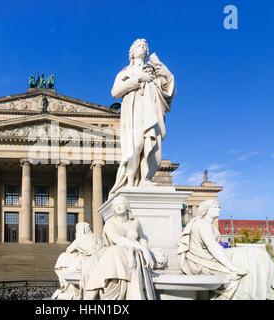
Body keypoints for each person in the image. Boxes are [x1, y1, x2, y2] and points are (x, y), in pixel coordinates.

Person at [177, 199, 274, 300]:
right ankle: (273, 291)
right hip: (206, 259)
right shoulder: (202, 224)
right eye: (215, 207)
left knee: (260, 254)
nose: (219, 210)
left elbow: (218, 247)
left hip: (217, 254)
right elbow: (212, 247)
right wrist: (231, 267)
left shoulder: (211, 226)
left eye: (219, 207)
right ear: (206, 209)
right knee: (256, 254)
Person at [109, 39, 176, 196]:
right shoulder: (124, 73)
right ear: (131, 52)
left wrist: (157, 66)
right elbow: (115, 92)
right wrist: (137, 79)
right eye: (138, 46)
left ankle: (145, 178)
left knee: (150, 143)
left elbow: (167, 87)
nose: (142, 48)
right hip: (132, 111)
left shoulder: (152, 71)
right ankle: (130, 180)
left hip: (150, 110)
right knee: (135, 146)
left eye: (144, 47)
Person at [84, 196, 157, 300]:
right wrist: (143, 249)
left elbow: (143, 237)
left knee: (115, 253)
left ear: (127, 206)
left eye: (121, 204)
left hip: (132, 252)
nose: (118, 207)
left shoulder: (135, 222)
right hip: (117, 250)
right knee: (113, 251)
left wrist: (146, 250)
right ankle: (94, 292)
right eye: (115, 205)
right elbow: (117, 239)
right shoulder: (110, 224)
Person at [52, 222, 104, 300]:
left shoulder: (80, 239)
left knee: (64, 257)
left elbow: (69, 250)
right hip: (98, 262)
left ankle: (67, 289)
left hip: (85, 263)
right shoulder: (97, 238)